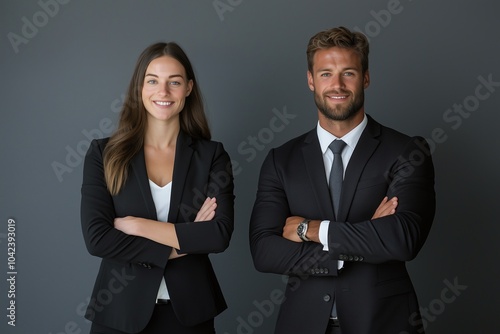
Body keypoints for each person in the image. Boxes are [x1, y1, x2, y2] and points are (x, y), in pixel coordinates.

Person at [249, 26, 435, 334]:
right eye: (325, 74)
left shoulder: (406, 152)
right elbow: (264, 251)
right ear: (311, 80)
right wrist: (367, 235)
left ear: (365, 78)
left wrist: (311, 229)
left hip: (383, 323)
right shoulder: (281, 160)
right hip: (302, 324)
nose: (337, 85)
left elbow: (402, 240)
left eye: (348, 73)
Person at [81, 42, 234, 334]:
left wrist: (136, 225)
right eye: (153, 81)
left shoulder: (212, 155)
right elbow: (97, 239)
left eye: (173, 82)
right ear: (140, 87)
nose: (163, 92)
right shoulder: (103, 154)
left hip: (191, 314)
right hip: (119, 313)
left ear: (188, 88)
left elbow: (217, 234)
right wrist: (184, 242)